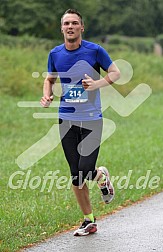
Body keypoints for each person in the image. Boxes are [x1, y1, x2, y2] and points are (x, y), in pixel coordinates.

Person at [40, 9, 120, 236]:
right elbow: (49, 78)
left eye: (75, 23)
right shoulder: (55, 53)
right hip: (66, 119)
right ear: (62, 28)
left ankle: (101, 176)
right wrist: (47, 94)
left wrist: (97, 84)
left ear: (81, 27)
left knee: (85, 170)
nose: (70, 27)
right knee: (76, 175)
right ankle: (89, 220)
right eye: (66, 23)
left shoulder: (95, 50)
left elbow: (115, 73)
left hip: (92, 120)